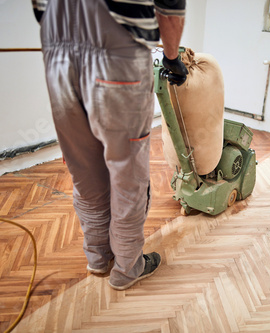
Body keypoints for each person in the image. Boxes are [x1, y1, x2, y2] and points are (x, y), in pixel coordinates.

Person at [31, 0, 188, 290]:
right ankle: (128, 267)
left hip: (56, 56)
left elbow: (41, 9)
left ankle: (98, 257)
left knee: (84, 167)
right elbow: (169, 9)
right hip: (118, 57)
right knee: (126, 170)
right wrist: (171, 57)